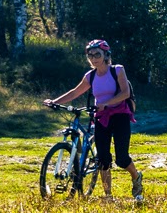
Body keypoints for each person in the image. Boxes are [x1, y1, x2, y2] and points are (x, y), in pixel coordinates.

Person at [43, 39, 143, 202]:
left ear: (106, 55)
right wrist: (55, 102)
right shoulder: (90, 76)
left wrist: (106, 103)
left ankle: (136, 177)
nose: (94, 58)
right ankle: (108, 196)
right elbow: (75, 92)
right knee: (103, 159)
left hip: (120, 115)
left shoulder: (117, 70)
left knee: (122, 158)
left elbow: (125, 93)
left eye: (97, 54)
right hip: (101, 117)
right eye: (90, 55)